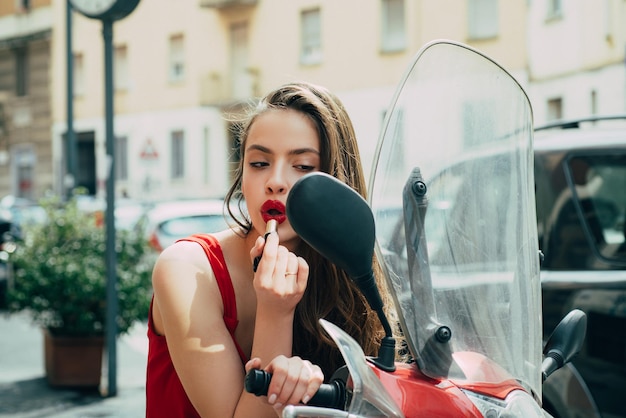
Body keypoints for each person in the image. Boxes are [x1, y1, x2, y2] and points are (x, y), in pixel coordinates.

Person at [146, 81, 390, 417]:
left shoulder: (351, 275)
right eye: (259, 163)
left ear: (336, 181)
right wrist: (276, 312)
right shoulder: (187, 269)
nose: (275, 181)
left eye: (303, 166)